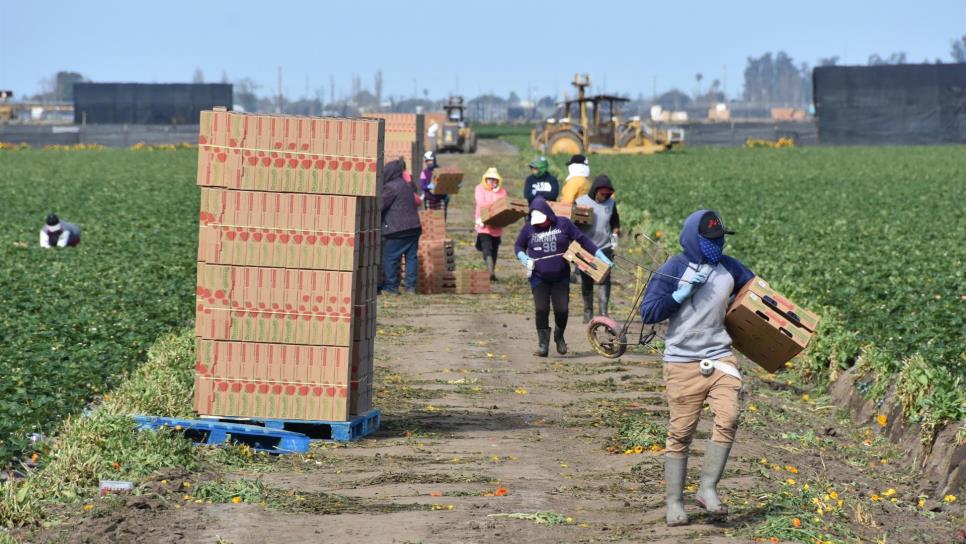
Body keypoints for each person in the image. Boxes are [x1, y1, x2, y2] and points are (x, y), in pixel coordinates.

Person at [639, 209, 754, 527]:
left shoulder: (729, 268)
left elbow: (756, 292)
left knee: (729, 416)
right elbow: (648, 312)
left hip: (720, 357)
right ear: (694, 239)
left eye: (720, 240)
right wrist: (681, 292)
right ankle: (675, 502)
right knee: (681, 433)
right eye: (710, 240)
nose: (717, 246)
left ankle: (707, 488)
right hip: (681, 362)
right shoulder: (675, 267)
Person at [514, 196, 612, 357]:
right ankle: (543, 345)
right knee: (541, 309)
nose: (539, 224)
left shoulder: (563, 224)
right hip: (539, 277)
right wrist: (523, 257)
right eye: (536, 222)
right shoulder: (528, 229)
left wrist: (599, 255)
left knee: (562, 310)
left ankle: (559, 336)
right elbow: (518, 245)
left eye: (542, 220)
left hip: (560, 277)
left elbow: (582, 240)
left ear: (548, 214)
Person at [576, 175, 620, 322]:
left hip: (605, 247)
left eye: (608, 194)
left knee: (604, 280)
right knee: (587, 280)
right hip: (586, 248)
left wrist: (615, 232)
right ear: (595, 191)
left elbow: (615, 221)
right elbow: (573, 224)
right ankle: (588, 311)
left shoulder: (611, 204)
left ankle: (603, 312)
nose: (605, 197)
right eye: (602, 194)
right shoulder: (581, 202)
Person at [380, 159, 422, 294]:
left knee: (389, 257)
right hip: (414, 227)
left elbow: (380, 205)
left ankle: (391, 287)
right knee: (411, 258)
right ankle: (410, 287)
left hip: (398, 229)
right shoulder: (406, 185)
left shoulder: (390, 187)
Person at [473, 167, 507, 281]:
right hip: (483, 225)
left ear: (498, 181)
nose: (492, 182)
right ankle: (489, 269)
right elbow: (481, 203)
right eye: (490, 179)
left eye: (494, 180)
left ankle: (492, 274)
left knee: (495, 249)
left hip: (496, 226)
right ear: (485, 179)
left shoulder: (501, 191)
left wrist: (496, 195)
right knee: (486, 247)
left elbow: (504, 205)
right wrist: (495, 202)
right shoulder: (479, 189)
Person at [419, 151, 448, 216]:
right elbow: (422, 186)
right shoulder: (423, 173)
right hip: (429, 199)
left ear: (434, 160)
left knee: (441, 217)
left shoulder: (440, 170)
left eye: (430, 161)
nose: (429, 163)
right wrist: (428, 186)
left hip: (440, 198)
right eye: (427, 161)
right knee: (430, 218)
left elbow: (446, 181)